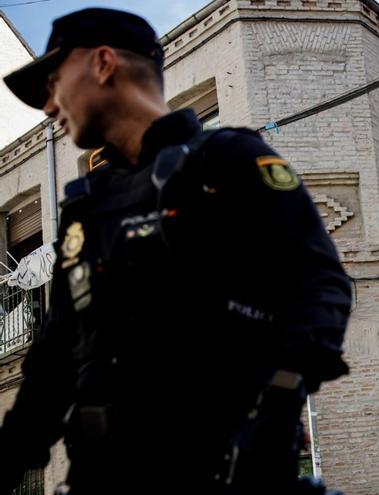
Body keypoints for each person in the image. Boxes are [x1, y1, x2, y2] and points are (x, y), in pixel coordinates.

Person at [0, 8, 351, 495]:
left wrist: (278, 400)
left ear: (103, 63)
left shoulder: (229, 160)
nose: (47, 107)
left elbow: (321, 286)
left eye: (55, 80)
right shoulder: (86, 209)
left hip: (225, 472)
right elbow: (55, 357)